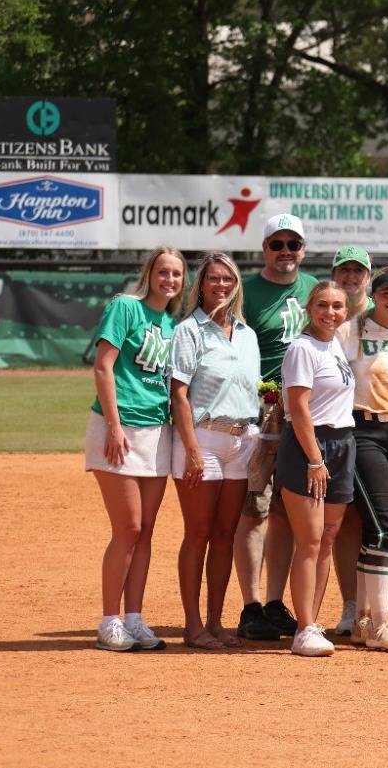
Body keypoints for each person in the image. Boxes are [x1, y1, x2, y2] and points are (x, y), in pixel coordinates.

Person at [90, 246, 186, 652]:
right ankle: (108, 621)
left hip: (156, 432)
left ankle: (134, 618)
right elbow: (103, 366)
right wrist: (113, 427)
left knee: (145, 530)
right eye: (163, 271)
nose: (169, 279)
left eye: (177, 274)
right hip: (119, 429)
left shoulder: (173, 323)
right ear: (149, 273)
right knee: (128, 528)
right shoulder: (126, 308)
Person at [169, 252, 262, 650]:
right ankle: (192, 627)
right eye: (214, 278)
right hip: (202, 440)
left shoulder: (247, 334)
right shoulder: (189, 330)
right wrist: (191, 448)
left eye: (228, 279)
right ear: (201, 285)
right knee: (198, 534)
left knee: (225, 535)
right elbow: (178, 393)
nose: (221, 285)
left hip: (241, 442)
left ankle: (215, 622)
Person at [235, 214, 318, 642]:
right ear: (264, 249)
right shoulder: (246, 291)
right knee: (255, 508)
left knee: (287, 514)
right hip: (262, 410)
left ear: (303, 249)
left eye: (293, 244)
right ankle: (250, 608)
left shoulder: (314, 289)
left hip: (305, 412)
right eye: (277, 244)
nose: (286, 251)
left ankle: (273, 603)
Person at [336, 264, 388, 652]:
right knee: (385, 528)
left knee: (382, 527)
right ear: (374, 295)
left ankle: (365, 620)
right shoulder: (351, 329)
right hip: (363, 429)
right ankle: (381, 624)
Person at [276, 281, 358, 657]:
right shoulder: (302, 348)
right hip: (311, 447)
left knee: (327, 538)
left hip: (341, 443)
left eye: (338, 306)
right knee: (309, 541)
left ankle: (312, 622)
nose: (330, 312)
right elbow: (298, 408)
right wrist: (315, 459)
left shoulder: (335, 344)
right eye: (323, 305)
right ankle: (304, 628)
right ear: (309, 310)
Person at [324, 246, 372, 634]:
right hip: (339, 428)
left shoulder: (386, 312)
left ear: (368, 276)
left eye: (358, 271)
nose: (351, 277)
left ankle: (376, 606)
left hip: (380, 427)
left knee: (380, 519)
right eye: (345, 270)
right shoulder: (327, 319)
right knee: (344, 519)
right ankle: (351, 604)